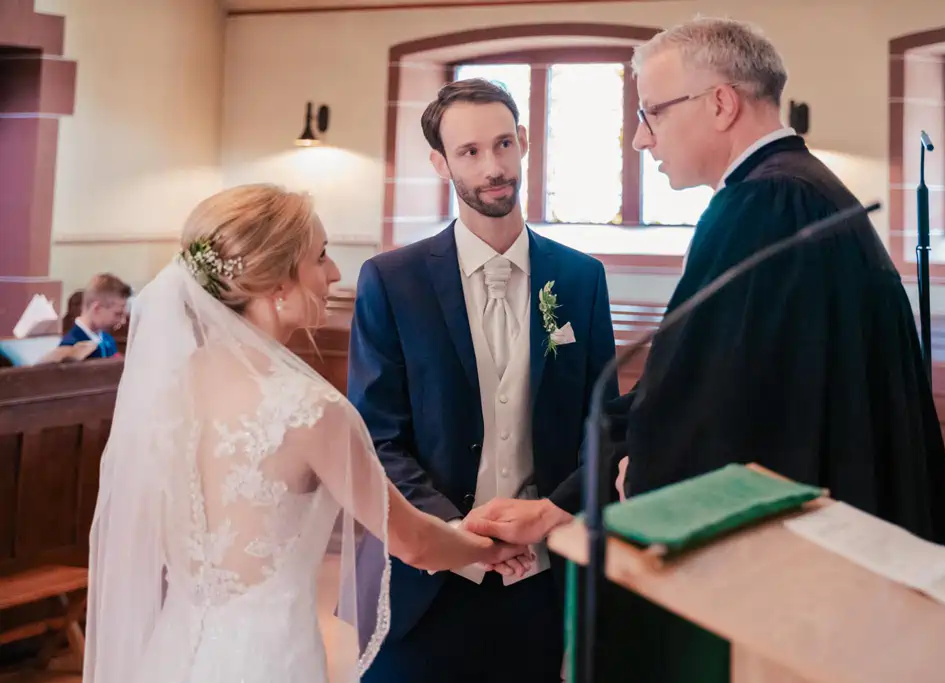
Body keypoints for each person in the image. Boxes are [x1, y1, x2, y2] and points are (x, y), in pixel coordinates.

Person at [83, 184, 532, 683]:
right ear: (276, 283)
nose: (335, 273)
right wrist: (487, 548)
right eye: (320, 257)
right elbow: (412, 542)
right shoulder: (309, 410)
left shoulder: (167, 388)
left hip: (172, 652)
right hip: (266, 662)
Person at [611, 16, 945, 547]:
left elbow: (716, 400)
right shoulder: (803, 190)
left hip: (801, 543)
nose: (640, 138)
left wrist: (641, 473)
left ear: (721, 104)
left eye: (651, 112)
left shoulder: (765, 205)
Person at [347, 78, 618, 683]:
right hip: (423, 580)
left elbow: (602, 428)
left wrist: (551, 513)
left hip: (539, 581)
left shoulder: (580, 279)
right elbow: (375, 435)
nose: (493, 167)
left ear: (523, 142)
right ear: (441, 162)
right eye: (469, 152)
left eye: (503, 144)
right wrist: (459, 537)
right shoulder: (393, 281)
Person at [59, 273, 130, 359]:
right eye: (118, 314)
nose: (123, 321)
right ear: (97, 308)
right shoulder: (70, 346)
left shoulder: (108, 339)